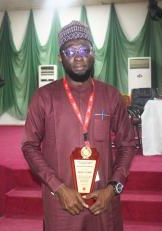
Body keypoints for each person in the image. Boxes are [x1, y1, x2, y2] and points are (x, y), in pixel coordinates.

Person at [22, 21, 136, 231]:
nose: (78, 56)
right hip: (62, 204)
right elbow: (29, 146)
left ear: (93, 54)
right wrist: (59, 188)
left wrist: (112, 188)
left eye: (84, 49)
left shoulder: (110, 95)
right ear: (60, 57)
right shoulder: (44, 97)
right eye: (70, 50)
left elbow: (128, 144)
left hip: (102, 202)